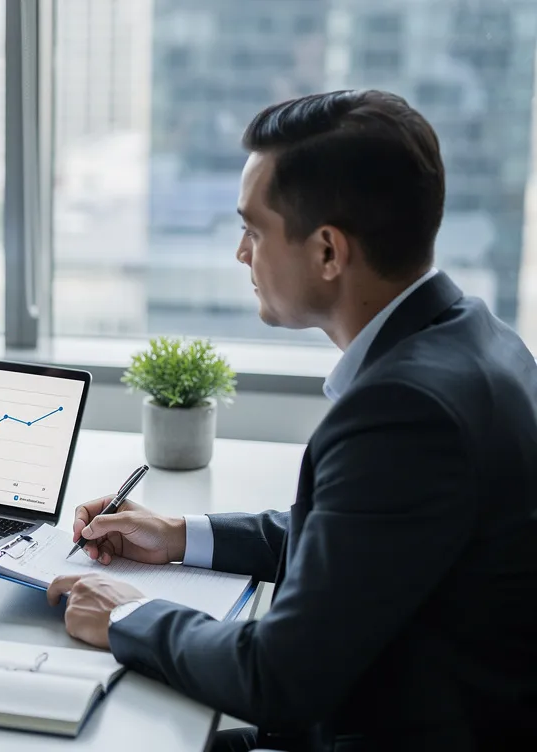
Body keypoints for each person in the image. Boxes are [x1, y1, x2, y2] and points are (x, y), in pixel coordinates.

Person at [46, 90, 537, 750]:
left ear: (329, 252)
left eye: (252, 230)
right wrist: (177, 534)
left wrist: (129, 614)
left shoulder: (406, 411)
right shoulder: (475, 337)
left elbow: (276, 676)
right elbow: (363, 538)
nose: (241, 255)